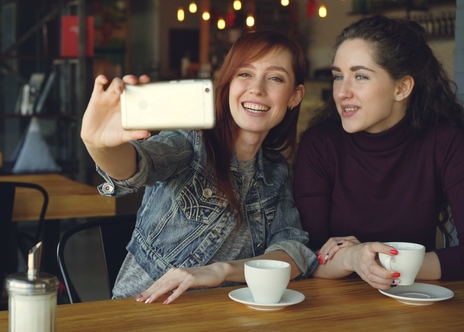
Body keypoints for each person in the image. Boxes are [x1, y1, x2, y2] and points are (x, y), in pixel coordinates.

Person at [81, 30, 318, 304]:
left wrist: (219, 271)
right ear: (227, 83)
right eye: (245, 74)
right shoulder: (191, 141)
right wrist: (100, 146)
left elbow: (293, 252)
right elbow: (138, 166)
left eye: (275, 78)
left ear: (294, 96)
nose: (257, 88)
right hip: (144, 313)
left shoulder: (276, 172)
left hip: (222, 318)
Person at [293, 15, 464, 289]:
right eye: (338, 76)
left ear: (402, 88)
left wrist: (370, 261)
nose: (341, 92)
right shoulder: (320, 144)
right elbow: (305, 257)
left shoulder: (445, 143)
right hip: (331, 306)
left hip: (415, 302)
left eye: (360, 76)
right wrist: (352, 259)